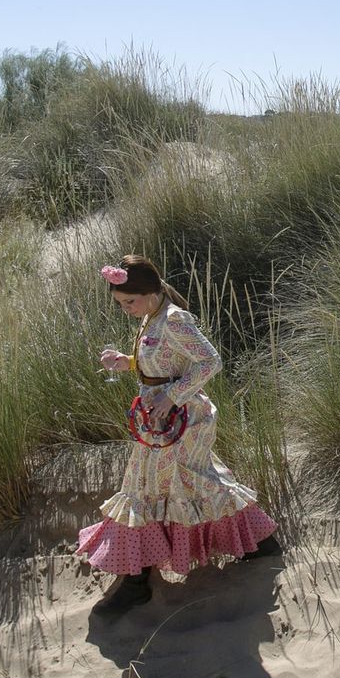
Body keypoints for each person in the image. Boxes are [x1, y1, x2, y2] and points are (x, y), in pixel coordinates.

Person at [78, 256, 280, 616]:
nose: (126, 309)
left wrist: (172, 396)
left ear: (151, 291)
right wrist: (127, 361)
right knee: (184, 484)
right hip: (160, 421)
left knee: (160, 487)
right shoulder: (151, 317)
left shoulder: (174, 319)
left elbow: (210, 361)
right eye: (120, 304)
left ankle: (138, 581)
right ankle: (259, 543)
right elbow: (165, 362)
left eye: (130, 301)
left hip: (182, 419)